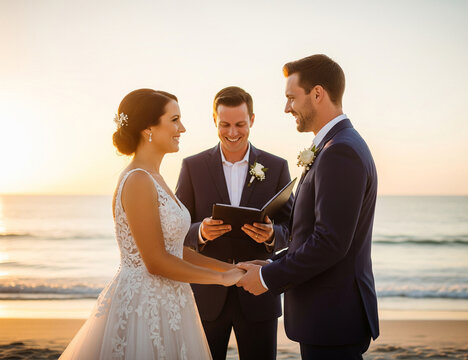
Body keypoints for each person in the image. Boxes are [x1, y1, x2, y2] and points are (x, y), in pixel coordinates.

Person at [60, 89, 245, 360]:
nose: (182, 128)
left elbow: (174, 249)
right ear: (149, 128)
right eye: (174, 120)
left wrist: (232, 269)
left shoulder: (155, 178)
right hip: (144, 306)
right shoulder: (138, 180)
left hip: (171, 301)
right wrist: (219, 279)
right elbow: (156, 261)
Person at [237, 55, 380, 360]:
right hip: (329, 317)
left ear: (317, 94)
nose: (286, 108)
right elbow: (313, 234)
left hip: (332, 317)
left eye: (291, 97)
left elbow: (330, 242)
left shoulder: (340, 151)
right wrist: (273, 263)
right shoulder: (335, 145)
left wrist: (267, 280)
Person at [175, 86, 293, 360]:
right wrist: (200, 232)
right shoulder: (192, 167)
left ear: (252, 119)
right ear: (214, 120)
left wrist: (272, 235)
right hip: (206, 294)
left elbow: (294, 228)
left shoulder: (276, 167)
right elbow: (176, 228)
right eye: (224, 124)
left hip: (259, 293)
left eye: (240, 124)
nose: (232, 133)